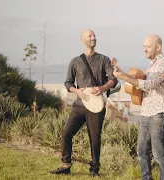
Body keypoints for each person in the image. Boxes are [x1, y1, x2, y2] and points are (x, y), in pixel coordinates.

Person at [50, 29, 118, 176]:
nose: (93, 37)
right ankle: (66, 165)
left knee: (94, 138)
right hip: (80, 104)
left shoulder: (104, 60)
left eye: (94, 35)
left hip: (97, 106)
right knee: (67, 133)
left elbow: (114, 79)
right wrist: (77, 91)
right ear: (83, 40)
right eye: (90, 36)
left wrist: (102, 87)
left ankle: (94, 169)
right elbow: (68, 82)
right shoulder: (75, 61)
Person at [113, 34, 164, 180]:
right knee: (141, 152)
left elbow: (148, 84)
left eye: (148, 46)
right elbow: (140, 81)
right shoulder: (153, 63)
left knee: (159, 155)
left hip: (159, 113)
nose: (144, 49)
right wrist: (122, 73)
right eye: (144, 46)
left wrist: (125, 78)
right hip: (146, 112)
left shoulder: (163, 63)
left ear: (158, 47)